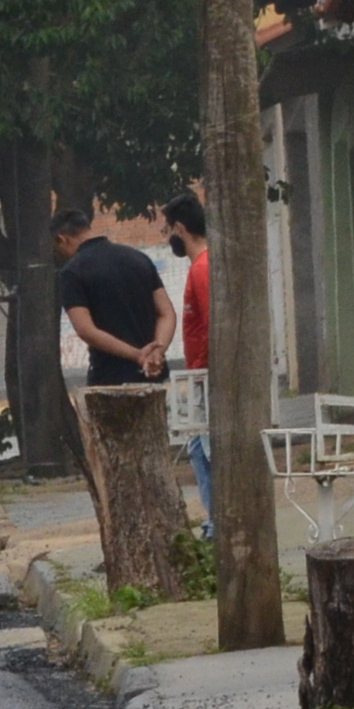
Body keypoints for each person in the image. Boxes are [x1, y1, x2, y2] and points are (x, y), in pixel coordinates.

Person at [52, 206, 174, 386]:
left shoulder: (72, 272)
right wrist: (156, 353)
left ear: (62, 239)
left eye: (57, 247)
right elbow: (167, 313)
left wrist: (138, 355)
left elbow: (86, 330)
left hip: (110, 377)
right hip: (154, 376)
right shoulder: (139, 259)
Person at [162, 191, 213, 514]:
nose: (168, 238)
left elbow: (213, 326)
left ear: (180, 228)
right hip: (202, 375)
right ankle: (214, 523)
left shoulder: (201, 269)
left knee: (206, 452)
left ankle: (217, 525)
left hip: (207, 377)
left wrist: (204, 373)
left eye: (168, 230)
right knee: (198, 449)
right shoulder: (204, 265)